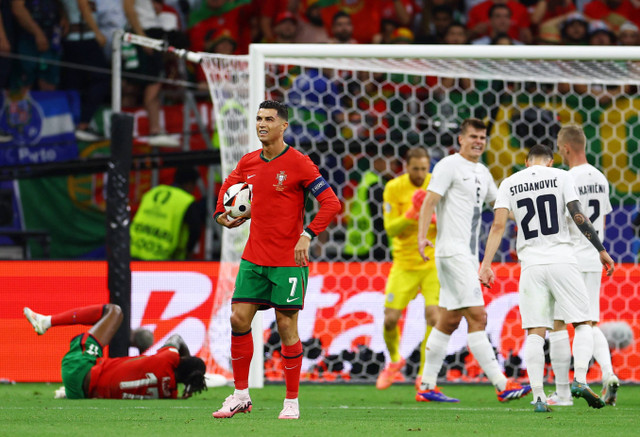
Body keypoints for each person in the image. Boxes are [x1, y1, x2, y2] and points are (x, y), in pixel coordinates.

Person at [212, 100, 341, 419]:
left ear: (284, 126)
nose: (261, 124)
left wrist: (307, 234)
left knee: (286, 327)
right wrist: (220, 215)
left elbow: (330, 202)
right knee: (238, 319)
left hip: (287, 261)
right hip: (254, 258)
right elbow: (227, 189)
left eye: (269, 119)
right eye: (258, 119)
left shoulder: (299, 163)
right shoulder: (248, 162)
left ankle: (292, 401)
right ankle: (240, 395)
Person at [478, 144, 615, 412]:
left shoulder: (509, 182)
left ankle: (539, 397)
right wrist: (601, 249)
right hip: (563, 259)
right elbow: (578, 215)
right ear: (550, 162)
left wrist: (485, 264)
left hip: (531, 264)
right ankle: (579, 380)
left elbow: (497, 226)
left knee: (536, 332)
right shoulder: (563, 176)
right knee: (583, 323)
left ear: (527, 162)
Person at [416, 118, 531, 403]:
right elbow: (429, 201)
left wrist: (532, 219)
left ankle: (426, 385)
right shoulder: (448, 165)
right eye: (473, 136)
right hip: (452, 253)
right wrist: (421, 237)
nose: (478, 141)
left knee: (450, 320)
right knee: (478, 316)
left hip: (466, 255)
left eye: (482, 137)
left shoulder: (482, 171)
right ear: (461, 139)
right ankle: (502, 384)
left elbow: (500, 206)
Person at [546, 125, 619, 407]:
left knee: (559, 324)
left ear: (564, 148)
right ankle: (609, 374)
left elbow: (566, 218)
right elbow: (602, 218)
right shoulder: (600, 178)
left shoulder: (567, 178)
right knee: (589, 321)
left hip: (570, 258)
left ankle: (564, 392)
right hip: (594, 256)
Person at [23, 304, 207, 399]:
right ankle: (66, 391)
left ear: (180, 360)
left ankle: (46, 322)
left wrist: (185, 356)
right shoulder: (171, 395)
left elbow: (177, 339)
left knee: (115, 311)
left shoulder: (168, 358)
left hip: (79, 366)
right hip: (80, 393)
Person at [376, 147, 440, 391]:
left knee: (434, 317)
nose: (421, 174)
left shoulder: (436, 184)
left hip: (431, 262)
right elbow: (390, 229)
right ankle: (394, 361)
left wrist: (432, 218)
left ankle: (424, 376)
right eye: (416, 169)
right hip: (403, 263)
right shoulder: (394, 187)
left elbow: (449, 222)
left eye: (425, 168)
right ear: (406, 167)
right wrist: (414, 213)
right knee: (390, 320)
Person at [130, 166, 203, 260]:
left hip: (133, 252)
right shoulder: (186, 200)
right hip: (161, 260)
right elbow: (195, 230)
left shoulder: (153, 191)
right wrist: (188, 253)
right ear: (190, 184)